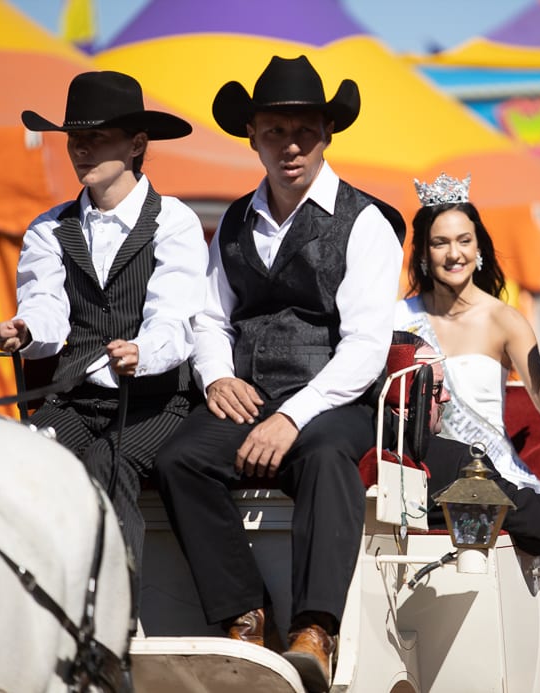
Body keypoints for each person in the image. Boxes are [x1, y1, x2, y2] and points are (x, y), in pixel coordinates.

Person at [151, 55, 404, 692]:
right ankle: (245, 613)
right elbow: (209, 318)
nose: (289, 145)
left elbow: (366, 346)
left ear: (326, 134)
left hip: (336, 398)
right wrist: (215, 378)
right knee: (178, 458)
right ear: (254, 137)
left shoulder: (367, 221)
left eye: (303, 132)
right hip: (248, 393)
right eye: (274, 132)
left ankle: (315, 630)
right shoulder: (234, 219)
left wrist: (293, 414)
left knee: (322, 458)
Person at [0, 70, 207, 572]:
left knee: (107, 465)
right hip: (76, 398)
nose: (81, 150)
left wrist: (143, 352)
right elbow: (46, 304)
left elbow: (174, 317)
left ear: (136, 145)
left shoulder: (174, 222)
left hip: (155, 403)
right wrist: (28, 332)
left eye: (96, 138)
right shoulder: (49, 227)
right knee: (15, 459)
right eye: (74, 139)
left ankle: (117, 619)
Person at [394, 173, 540, 502]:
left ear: (479, 249)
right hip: (421, 476)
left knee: (539, 521)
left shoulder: (504, 320)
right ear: (422, 253)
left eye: (464, 240)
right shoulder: (399, 318)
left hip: (491, 474)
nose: (453, 254)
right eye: (440, 242)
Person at [385, 331, 540, 556]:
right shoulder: (458, 464)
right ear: (405, 395)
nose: (446, 396)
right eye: (436, 387)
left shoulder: (344, 452)